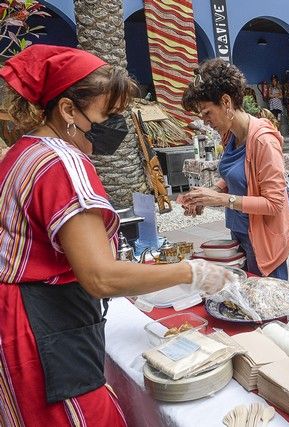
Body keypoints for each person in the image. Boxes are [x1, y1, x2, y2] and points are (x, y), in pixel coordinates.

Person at [0, 45, 231, 426]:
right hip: (43, 327)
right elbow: (100, 276)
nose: (114, 126)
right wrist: (190, 272)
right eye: (107, 114)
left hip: (22, 317)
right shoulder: (62, 163)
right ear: (68, 110)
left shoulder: (24, 151)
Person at [180, 59, 289, 280]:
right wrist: (209, 193)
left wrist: (221, 200)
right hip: (241, 233)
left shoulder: (263, 141)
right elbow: (236, 173)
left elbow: (274, 203)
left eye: (207, 113)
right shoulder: (230, 134)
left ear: (226, 101)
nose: (205, 121)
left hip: (264, 239)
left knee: (266, 306)